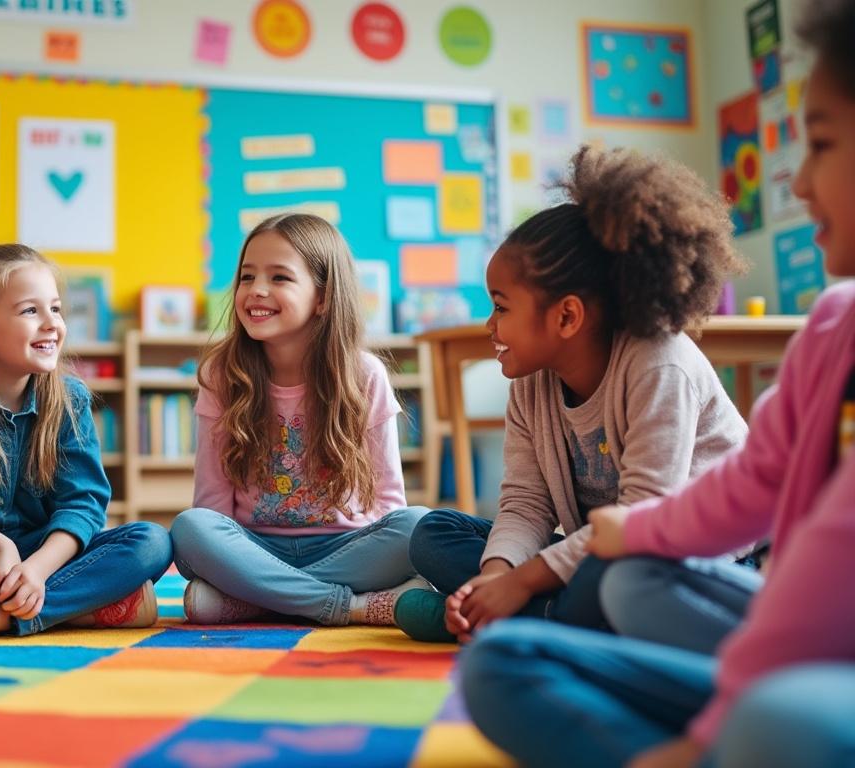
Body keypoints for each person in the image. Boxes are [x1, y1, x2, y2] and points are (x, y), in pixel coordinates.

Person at [462, 3, 855, 764]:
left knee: (770, 716)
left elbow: (822, 568)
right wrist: (519, 568)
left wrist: (705, 733)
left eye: (827, 145)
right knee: (572, 611)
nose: (799, 180)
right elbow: (751, 485)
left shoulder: (658, 362)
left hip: (789, 649)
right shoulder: (832, 325)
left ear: (569, 315)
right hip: (736, 608)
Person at [397, 146, 748, 643]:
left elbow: (643, 519)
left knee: (623, 577)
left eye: (501, 307)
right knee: (431, 536)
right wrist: (498, 575)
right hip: (596, 551)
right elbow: (525, 504)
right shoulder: (529, 381)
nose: (490, 325)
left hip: (685, 554)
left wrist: (521, 582)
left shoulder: (660, 364)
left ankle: (517, 623)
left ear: (566, 317)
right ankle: (536, 620)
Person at [0, 240, 172, 640]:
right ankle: (80, 608)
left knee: (152, 541)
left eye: (55, 309)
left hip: (42, 563)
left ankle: (0, 616)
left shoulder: (69, 397)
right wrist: (1, 546)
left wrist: (37, 569)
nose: (51, 323)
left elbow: (83, 502)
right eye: (30, 310)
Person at [170, 213, 429, 627]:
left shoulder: (365, 375)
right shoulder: (222, 374)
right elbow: (212, 505)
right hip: (255, 548)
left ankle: (255, 601)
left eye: (279, 278)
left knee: (417, 526)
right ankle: (348, 606)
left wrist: (246, 583)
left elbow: (387, 501)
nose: (256, 291)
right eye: (247, 277)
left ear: (323, 297)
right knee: (190, 529)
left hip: (347, 546)